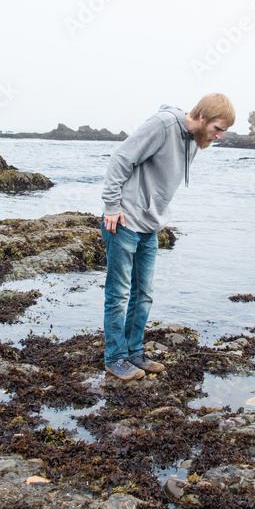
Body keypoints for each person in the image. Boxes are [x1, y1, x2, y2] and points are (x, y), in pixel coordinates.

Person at [100, 93, 235, 381]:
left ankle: (134, 352)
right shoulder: (163, 124)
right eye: (217, 128)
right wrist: (112, 206)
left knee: (144, 295)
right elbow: (121, 158)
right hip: (124, 221)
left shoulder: (196, 139)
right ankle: (114, 358)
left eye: (223, 131)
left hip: (150, 226)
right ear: (202, 117)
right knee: (119, 295)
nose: (220, 136)